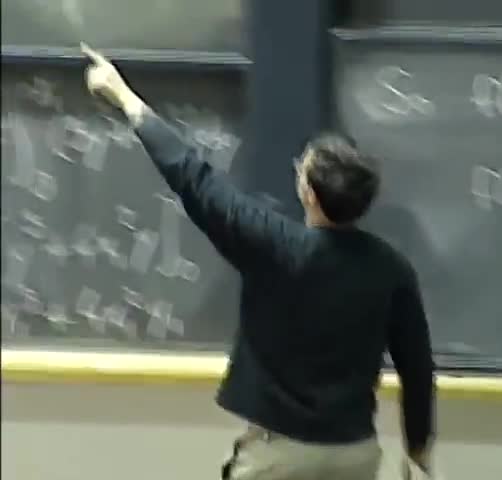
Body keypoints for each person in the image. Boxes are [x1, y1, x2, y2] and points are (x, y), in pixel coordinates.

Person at [81, 43, 435, 480]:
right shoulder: (392, 270)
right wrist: (418, 447)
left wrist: (123, 96)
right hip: (355, 454)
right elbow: (417, 366)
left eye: (301, 169)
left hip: (279, 456)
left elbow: (192, 176)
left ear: (308, 192)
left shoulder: (272, 245)